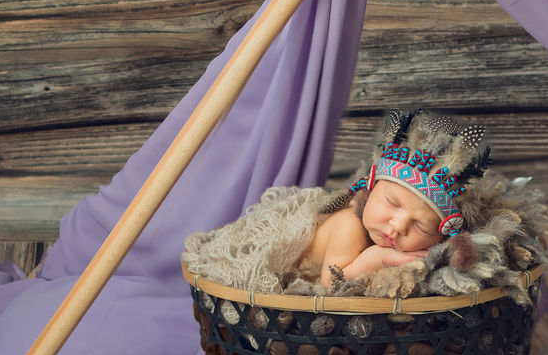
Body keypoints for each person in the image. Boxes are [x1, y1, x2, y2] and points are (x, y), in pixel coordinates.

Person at [181, 108, 493, 297]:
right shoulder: (350, 227)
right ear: (369, 189)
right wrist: (381, 258)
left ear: (440, 236)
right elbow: (331, 284)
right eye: (393, 203)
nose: (397, 226)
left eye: (421, 225)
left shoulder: (406, 232)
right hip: (277, 259)